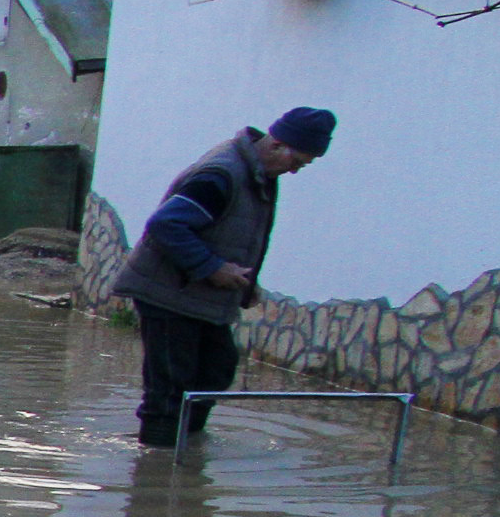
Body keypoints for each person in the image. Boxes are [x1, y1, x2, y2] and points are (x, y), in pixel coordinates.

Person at [108, 106, 334, 448]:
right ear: (277, 145)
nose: (295, 171)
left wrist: (246, 283)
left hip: (199, 296)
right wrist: (212, 268)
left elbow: (233, 233)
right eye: (297, 162)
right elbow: (166, 224)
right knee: (171, 386)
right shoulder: (222, 174)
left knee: (216, 370)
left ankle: (187, 448)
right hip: (168, 293)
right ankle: (157, 462)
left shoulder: (257, 173)